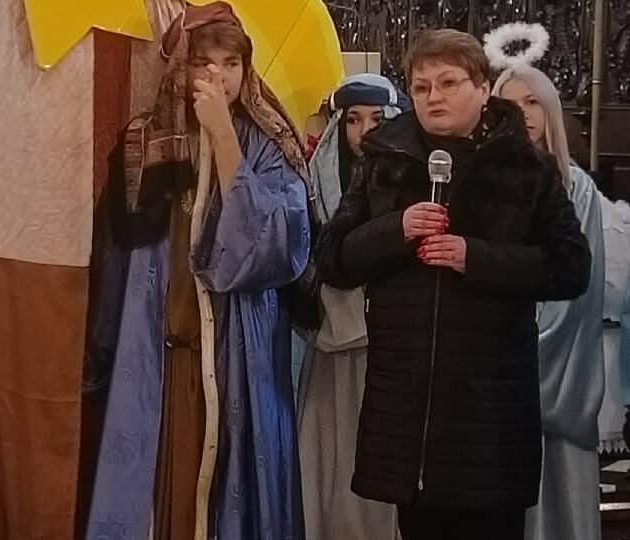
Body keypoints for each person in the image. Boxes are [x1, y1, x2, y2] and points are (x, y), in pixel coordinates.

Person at [314, 28, 591, 540]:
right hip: (409, 414)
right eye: (421, 87)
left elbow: (571, 267)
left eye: (448, 83)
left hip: (489, 414)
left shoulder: (525, 167)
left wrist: (476, 257)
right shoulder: (385, 161)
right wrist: (395, 230)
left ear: (482, 88)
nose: (433, 97)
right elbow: (333, 258)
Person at [85, 3, 310, 540]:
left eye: (231, 63)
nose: (218, 76)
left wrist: (224, 138)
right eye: (203, 63)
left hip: (239, 360)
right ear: (180, 68)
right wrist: (102, 351)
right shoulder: (144, 144)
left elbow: (278, 248)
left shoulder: (270, 141)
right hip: (156, 358)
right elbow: (114, 255)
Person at [494, 64, 605, 540]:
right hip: (497, 366)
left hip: (555, 366)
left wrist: (527, 353)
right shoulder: (488, 187)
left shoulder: (577, 188)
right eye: (511, 104)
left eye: (532, 102)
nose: (523, 114)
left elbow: (580, 283)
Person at [297, 73, 407, 540]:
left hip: (392, 347)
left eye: (377, 120)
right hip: (330, 345)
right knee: (330, 459)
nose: (364, 132)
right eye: (354, 120)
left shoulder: (412, 178)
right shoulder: (314, 185)